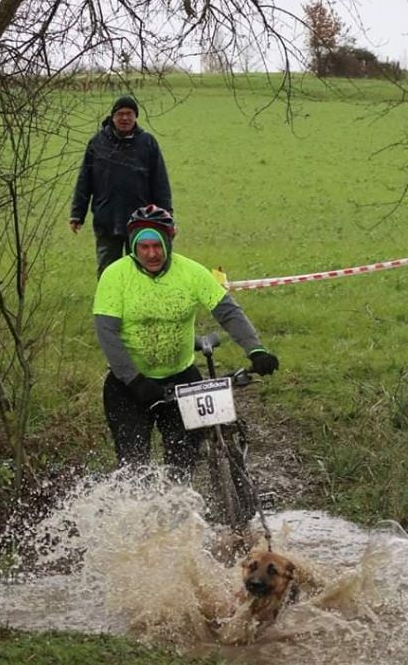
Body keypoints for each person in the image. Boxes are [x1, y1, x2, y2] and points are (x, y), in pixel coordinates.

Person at [93, 204, 279, 478]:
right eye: (143, 247)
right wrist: (133, 379)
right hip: (129, 385)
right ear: (133, 246)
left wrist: (256, 349)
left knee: (183, 462)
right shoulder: (115, 276)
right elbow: (106, 332)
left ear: (168, 242)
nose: (151, 253)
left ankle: (180, 511)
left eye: (157, 246)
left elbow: (228, 312)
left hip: (182, 380)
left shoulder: (191, 272)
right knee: (133, 467)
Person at [69, 95, 172, 276]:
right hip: (106, 220)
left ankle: (141, 304)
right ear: (112, 117)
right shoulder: (97, 143)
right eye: (120, 114)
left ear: (135, 117)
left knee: (142, 270)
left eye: (129, 114)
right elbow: (85, 180)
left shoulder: (147, 143)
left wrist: (166, 215)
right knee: (108, 272)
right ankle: (108, 304)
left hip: (142, 221)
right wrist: (77, 214)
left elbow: (160, 182)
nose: (125, 118)